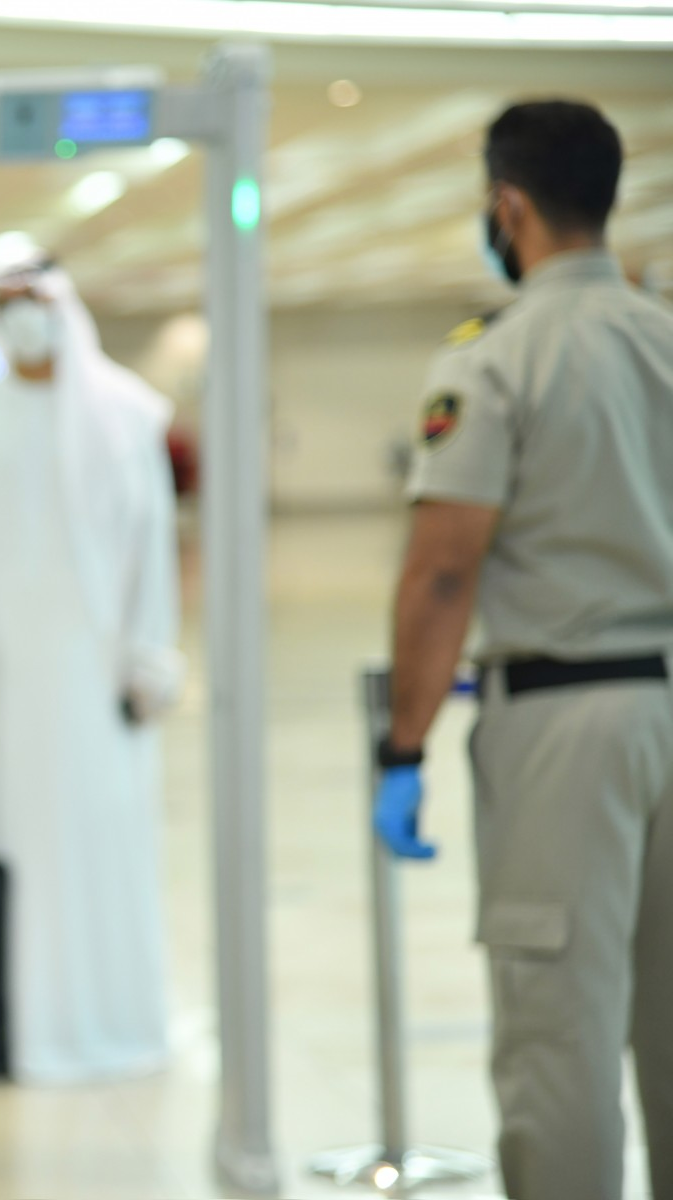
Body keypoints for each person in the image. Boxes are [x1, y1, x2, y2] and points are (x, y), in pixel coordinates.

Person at [376, 101, 673, 1200]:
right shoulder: (662, 335)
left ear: (509, 205)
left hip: (567, 725)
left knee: (561, 1039)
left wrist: (402, 748)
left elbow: (445, 566)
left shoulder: (499, 358)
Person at [0, 258, 184, 1084]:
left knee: (104, 852)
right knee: (14, 856)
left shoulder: (128, 416)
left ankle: (112, 1026)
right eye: (6, 305)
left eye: (35, 301)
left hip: (100, 690)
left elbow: (155, 555)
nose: (23, 317)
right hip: (3, 691)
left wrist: (148, 658)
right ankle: (15, 1033)